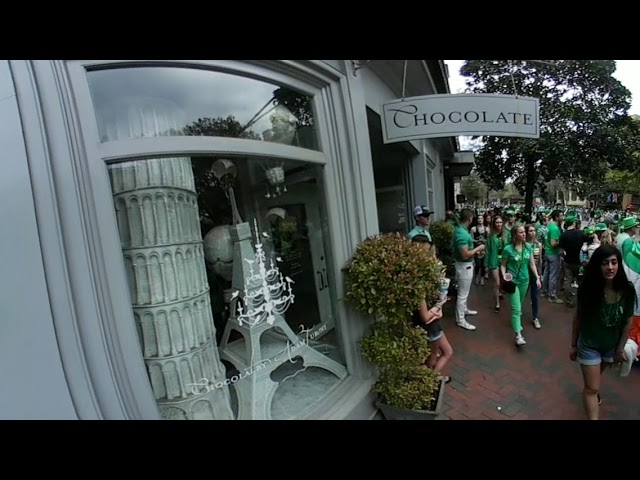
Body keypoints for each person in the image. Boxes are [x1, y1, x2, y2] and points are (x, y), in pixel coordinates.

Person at [570, 244, 636, 420]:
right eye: (605, 263)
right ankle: (591, 394)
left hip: (611, 346)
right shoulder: (588, 289)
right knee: (592, 389)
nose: (610, 267)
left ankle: (591, 387)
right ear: (597, 266)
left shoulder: (627, 290)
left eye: (614, 262)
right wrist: (573, 345)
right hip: (589, 345)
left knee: (594, 379)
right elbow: (578, 319)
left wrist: (620, 349)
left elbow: (627, 323)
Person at [410, 235, 453, 383]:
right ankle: (429, 380)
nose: (431, 258)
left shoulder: (427, 278)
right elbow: (425, 317)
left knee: (447, 352)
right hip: (429, 327)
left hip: (433, 325)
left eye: (431, 254)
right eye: (427, 254)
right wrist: (438, 307)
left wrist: (439, 305)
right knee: (431, 358)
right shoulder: (418, 282)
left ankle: (433, 377)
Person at [501, 225, 542, 346]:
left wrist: (537, 277)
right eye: (521, 232)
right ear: (515, 235)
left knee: (519, 305)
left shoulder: (528, 247)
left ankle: (516, 322)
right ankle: (518, 335)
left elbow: (532, 264)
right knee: (516, 308)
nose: (524, 234)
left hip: (525, 281)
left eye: (524, 232)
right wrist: (504, 276)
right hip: (513, 282)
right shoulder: (508, 249)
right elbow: (503, 265)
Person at [452, 208, 485, 331]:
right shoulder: (461, 233)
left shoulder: (462, 230)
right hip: (464, 266)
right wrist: (478, 248)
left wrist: (474, 245)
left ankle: (464, 310)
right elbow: (465, 254)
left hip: (465, 265)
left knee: (464, 292)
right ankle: (460, 320)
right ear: (470, 219)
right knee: (462, 294)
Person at [485, 215, 509, 313]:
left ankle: (500, 292)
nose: (499, 224)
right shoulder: (490, 236)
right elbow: (488, 250)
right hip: (494, 260)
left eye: (500, 222)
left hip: (504, 261)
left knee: (502, 281)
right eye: (497, 222)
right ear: (494, 224)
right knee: (497, 282)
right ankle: (497, 303)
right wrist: (486, 265)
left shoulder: (506, 234)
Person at [542, 209, 564, 304]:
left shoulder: (549, 225)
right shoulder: (554, 228)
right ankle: (552, 295)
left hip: (547, 252)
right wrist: (562, 242)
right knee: (553, 275)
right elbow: (553, 243)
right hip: (553, 253)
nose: (563, 217)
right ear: (556, 217)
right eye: (561, 216)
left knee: (547, 272)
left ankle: (544, 290)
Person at [526, 224, 543, 329]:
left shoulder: (538, 245)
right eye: (530, 231)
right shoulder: (523, 245)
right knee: (522, 295)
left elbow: (540, 260)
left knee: (535, 296)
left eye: (534, 230)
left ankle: (535, 317)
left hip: (535, 273)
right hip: (524, 273)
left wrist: (540, 274)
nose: (533, 233)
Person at [471, 214, 488, 286]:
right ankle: (476, 276)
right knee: (478, 264)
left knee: (483, 265)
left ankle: (482, 278)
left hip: (484, 249)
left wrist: (484, 241)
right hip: (476, 249)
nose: (480, 220)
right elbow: (470, 239)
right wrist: (477, 241)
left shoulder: (487, 229)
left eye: (481, 218)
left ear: (483, 220)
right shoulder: (473, 229)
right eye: (479, 218)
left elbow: (489, 240)